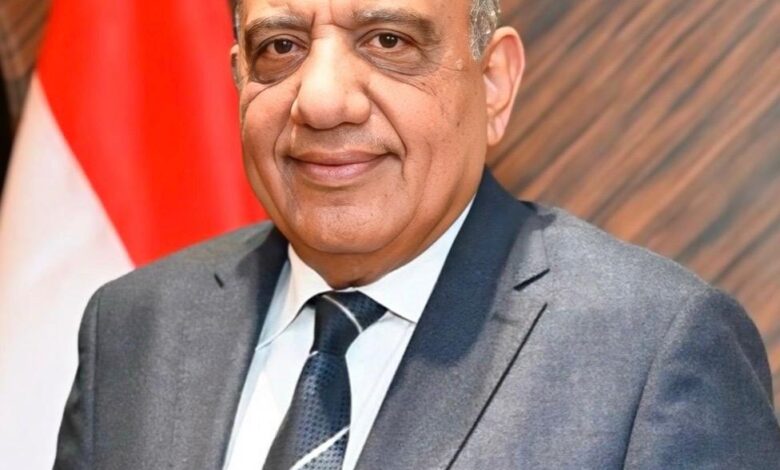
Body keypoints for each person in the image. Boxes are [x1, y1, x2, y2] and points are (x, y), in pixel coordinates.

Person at [55, 0, 780, 468]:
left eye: (388, 40)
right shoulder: (134, 326)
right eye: (280, 47)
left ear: (493, 84)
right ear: (238, 79)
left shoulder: (652, 350)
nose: (322, 100)